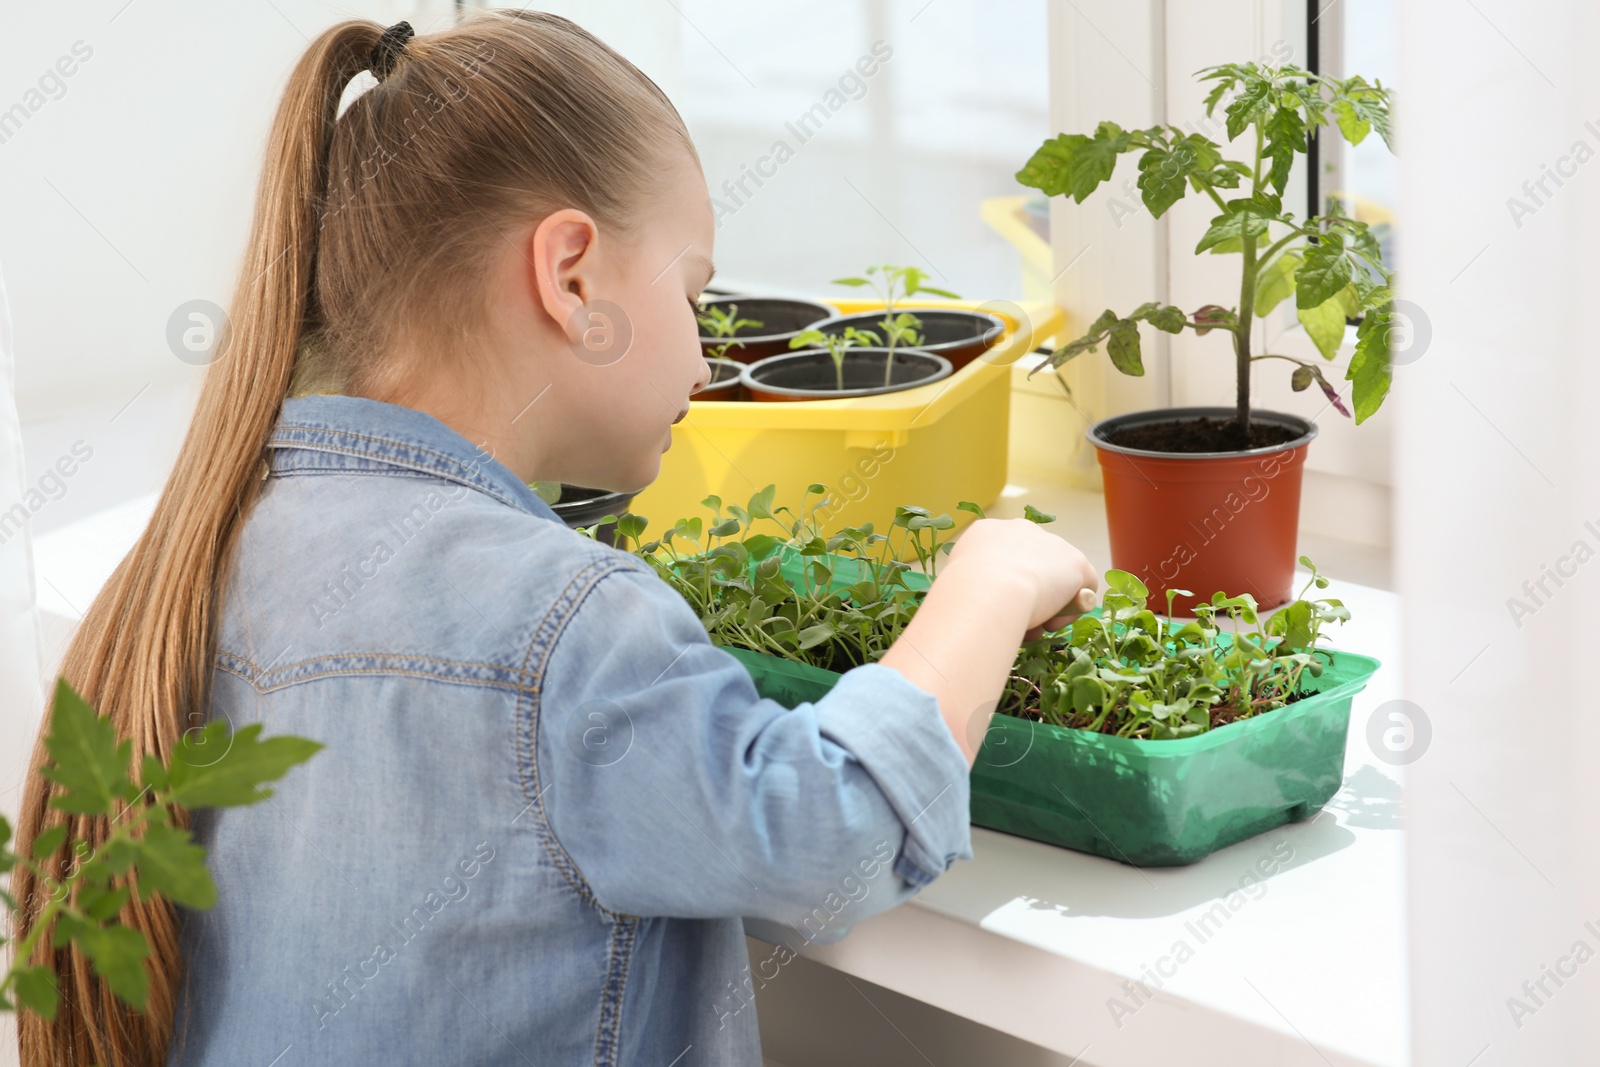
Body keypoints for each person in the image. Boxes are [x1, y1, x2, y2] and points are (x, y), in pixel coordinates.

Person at [10, 13, 1098, 1066]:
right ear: (572, 275)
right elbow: (825, 834)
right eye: (692, 292)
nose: (709, 359)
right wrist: (986, 579)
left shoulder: (211, 546)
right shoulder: (563, 623)